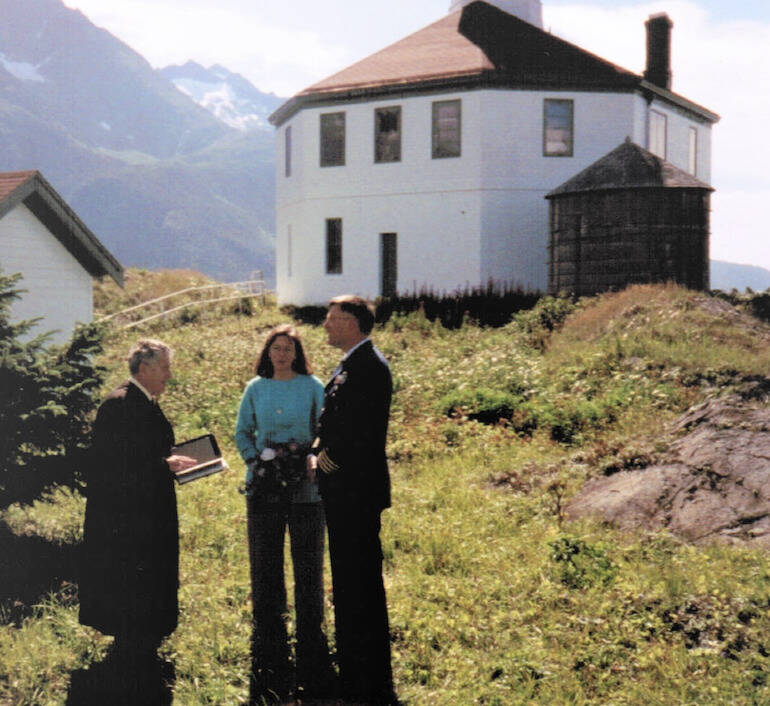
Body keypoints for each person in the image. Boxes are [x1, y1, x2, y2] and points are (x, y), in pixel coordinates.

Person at [79, 339, 196, 686]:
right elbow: (113, 464)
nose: (169, 376)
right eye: (165, 368)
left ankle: (142, 645)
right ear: (144, 369)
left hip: (148, 509)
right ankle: (132, 660)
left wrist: (172, 462)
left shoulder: (143, 402)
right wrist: (163, 465)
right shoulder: (119, 404)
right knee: (131, 580)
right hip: (128, 517)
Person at [235, 324, 334, 704]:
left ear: (297, 352)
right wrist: (256, 461)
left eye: (288, 348)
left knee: (308, 559)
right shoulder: (255, 388)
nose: (281, 354)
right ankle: (269, 629)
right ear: (267, 352)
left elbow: (324, 431)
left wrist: (310, 457)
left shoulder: (312, 386)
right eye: (276, 347)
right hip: (264, 486)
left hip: (305, 488)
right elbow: (243, 432)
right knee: (265, 557)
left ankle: (311, 628)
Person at [313, 295, 399, 705]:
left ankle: (368, 681)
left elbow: (359, 432)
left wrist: (324, 461)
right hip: (345, 489)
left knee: (359, 583)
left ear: (351, 322)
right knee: (349, 583)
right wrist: (317, 449)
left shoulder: (368, 367)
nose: (326, 326)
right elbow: (330, 420)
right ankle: (354, 671)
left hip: (355, 490)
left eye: (332, 319)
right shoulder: (350, 363)